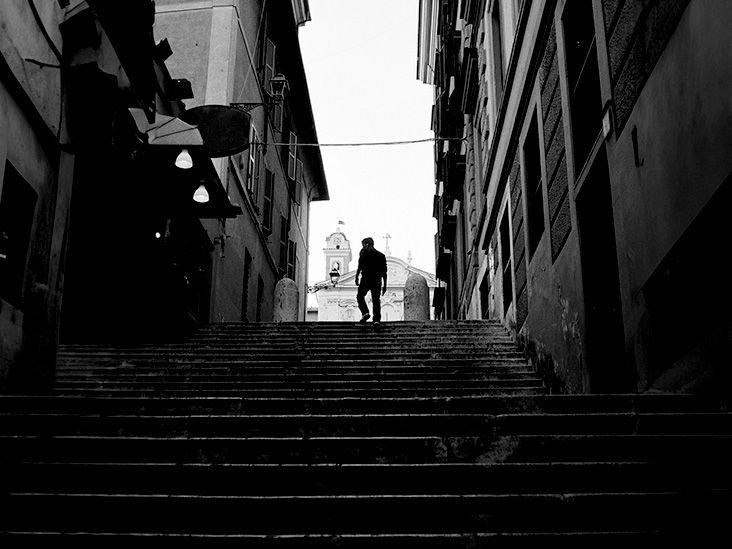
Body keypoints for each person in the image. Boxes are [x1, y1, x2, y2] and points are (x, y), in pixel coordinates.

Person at [354, 237, 387, 326]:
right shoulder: (380, 255)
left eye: (364, 245)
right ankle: (374, 319)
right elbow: (384, 272)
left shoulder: (365, 253)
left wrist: (357, 277)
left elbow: (359, 266)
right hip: (375, 280)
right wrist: (384, 285)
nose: (363, 246)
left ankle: (367, 314)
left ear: (367, 244)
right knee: (375, 300)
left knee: (361, 296)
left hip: (368, 279)